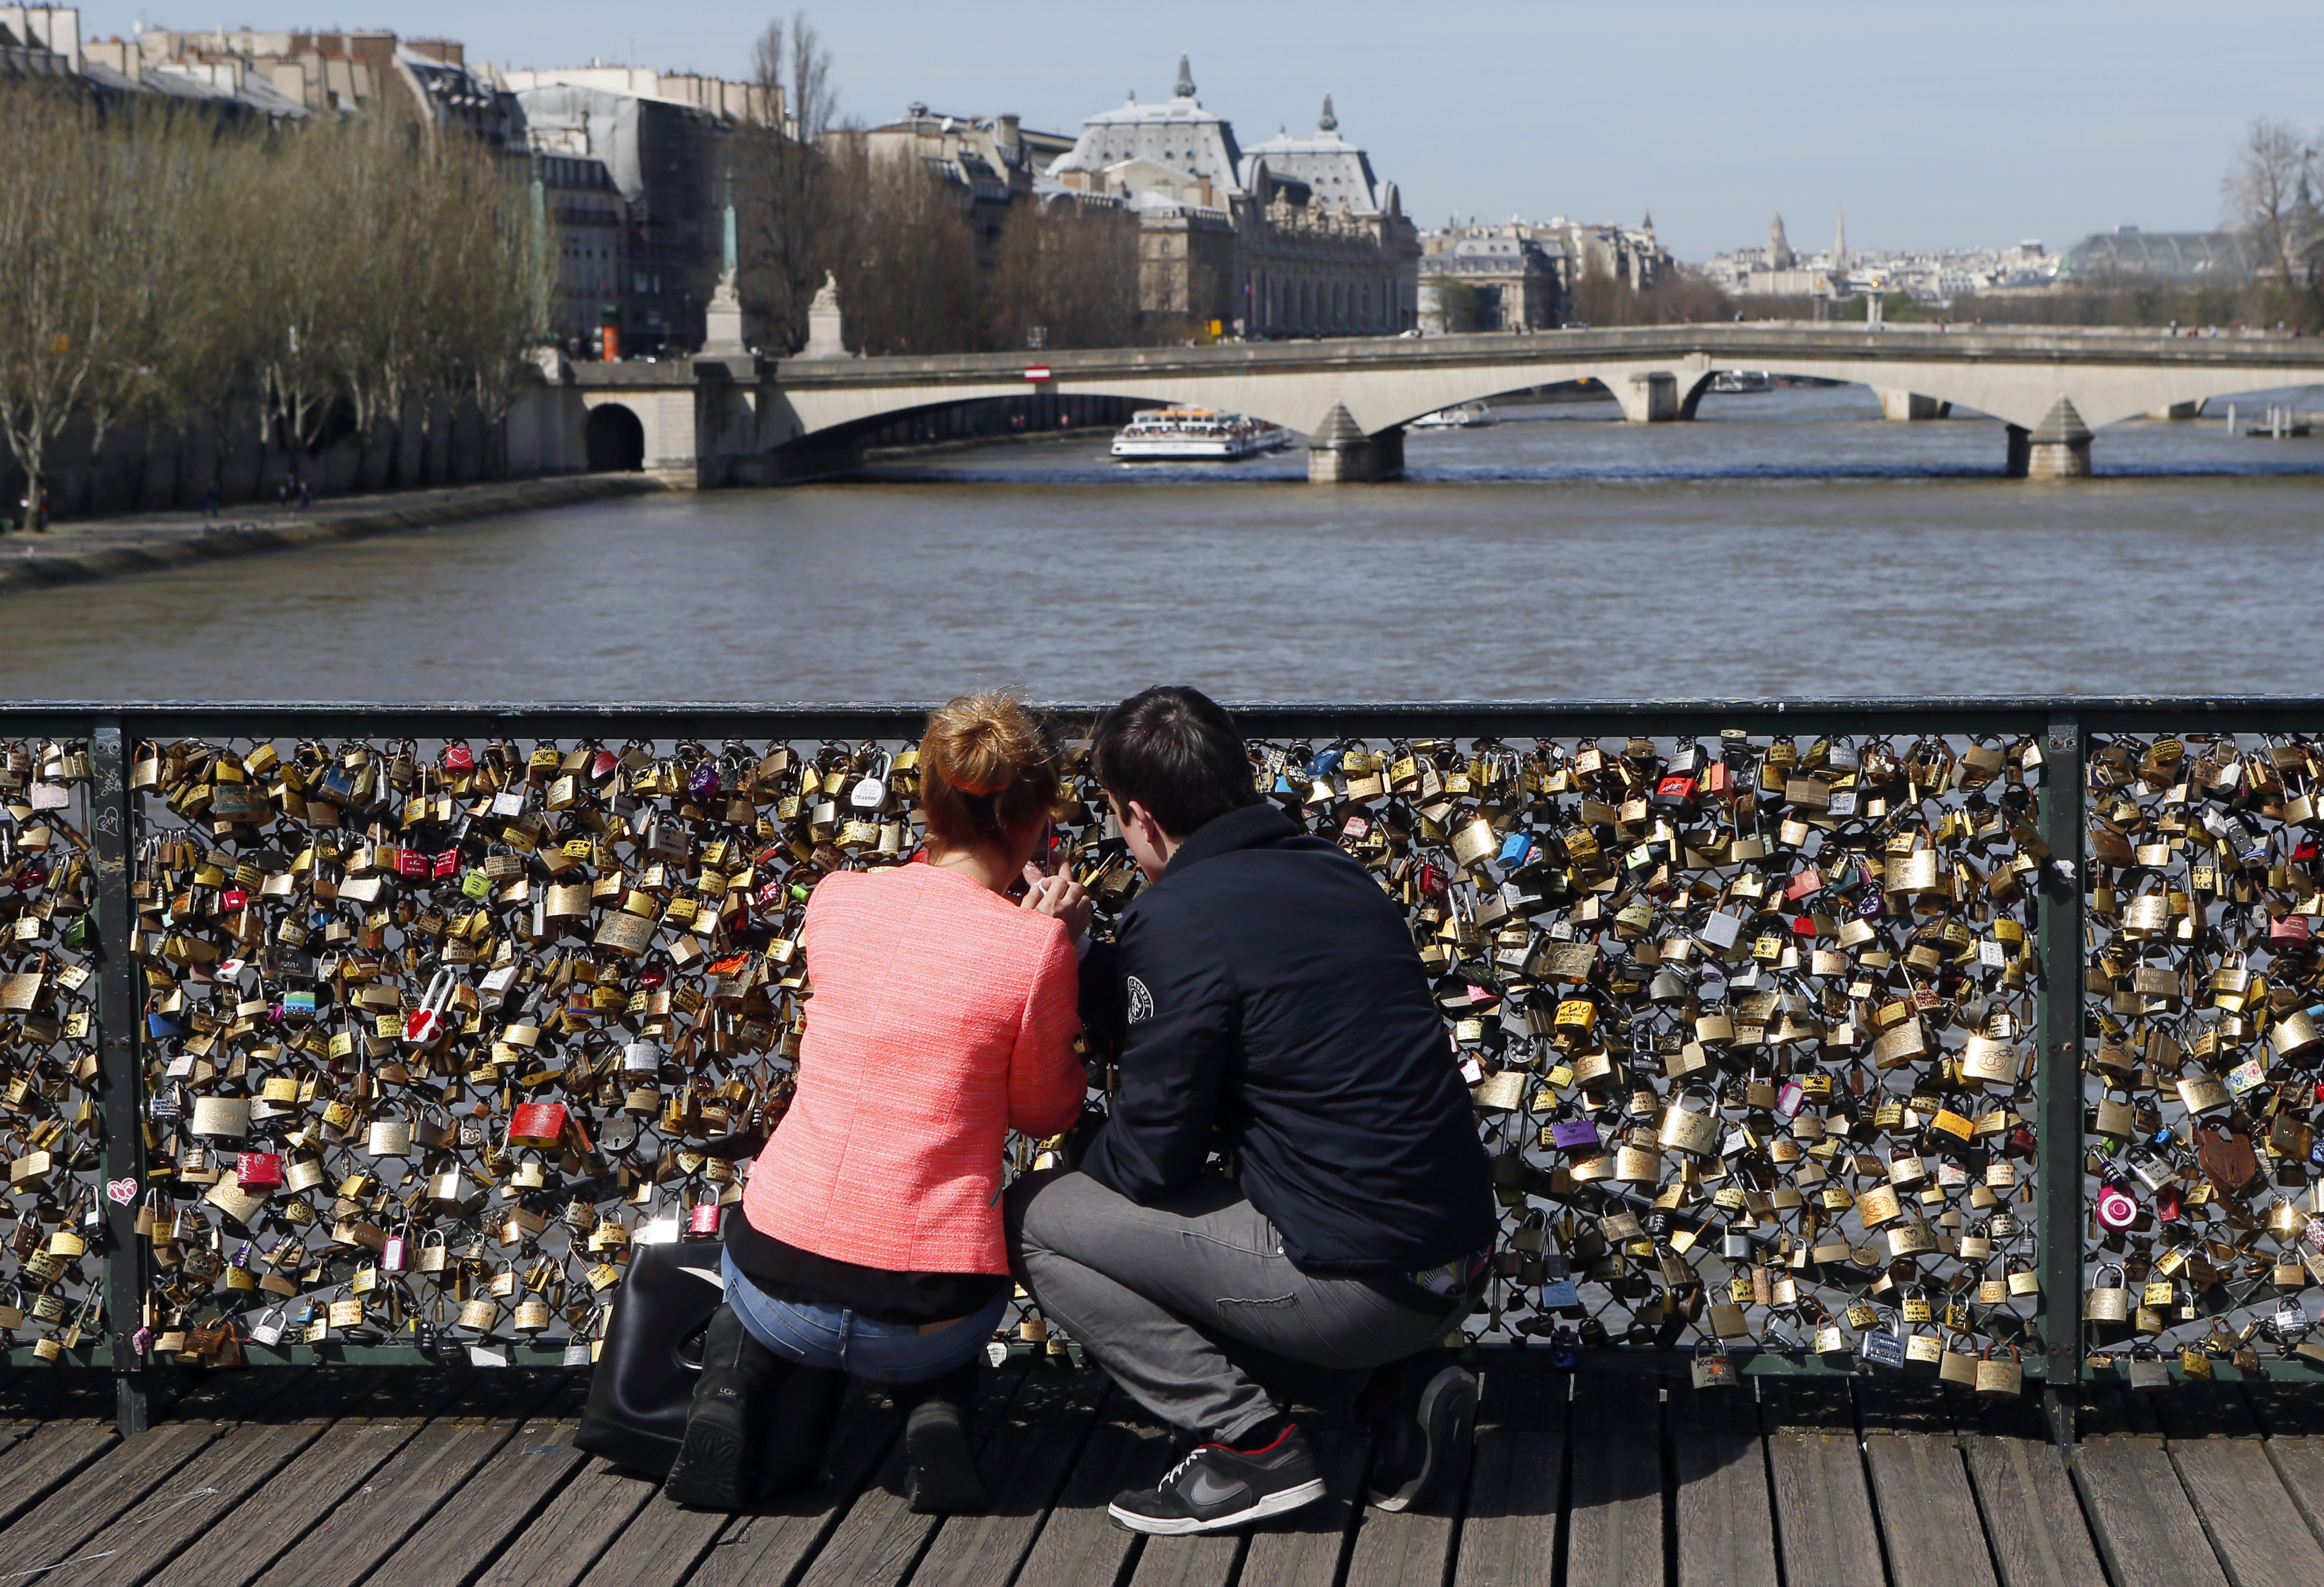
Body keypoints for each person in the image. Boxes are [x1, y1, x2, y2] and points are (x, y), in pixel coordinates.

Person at [1006, 687, 1497, 1536]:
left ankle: (1250, 1449)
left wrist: (1081, 1146)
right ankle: (1387, 1391)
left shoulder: (1180, 915)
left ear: (1138, 814)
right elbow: (1214, 1000)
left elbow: (1152, 1159)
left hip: (1358, 1287)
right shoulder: (1332, 870)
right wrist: (1086, 955)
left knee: (1036, 1218)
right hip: (1454, 1266)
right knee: (1208, 1214)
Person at [664, 691, 1091, 1513]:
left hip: (778, 1287)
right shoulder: (1036, 948)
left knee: (762, 1241)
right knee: (932, 1279)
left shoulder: (837, 898)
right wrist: (1059, 948)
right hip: (928, 1318)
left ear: (926, 799)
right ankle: (937, 1414)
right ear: (1038, 819)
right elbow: (1046, 1113)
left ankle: (727, 1389)